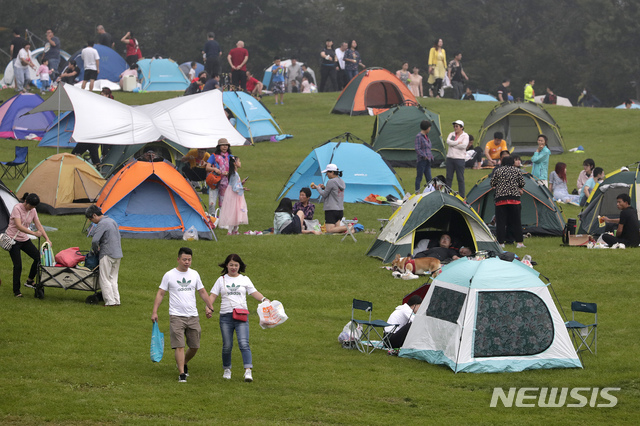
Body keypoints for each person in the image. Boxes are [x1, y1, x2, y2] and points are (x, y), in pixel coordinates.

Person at [151, 247, 215, 382]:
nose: (187, 262)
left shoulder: (194, 274)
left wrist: (210, 306)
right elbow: (161, 293)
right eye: (185, 259)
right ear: (178, 259)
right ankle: (181, 374)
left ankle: (183, 362)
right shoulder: (169, 275)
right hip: (176, 316)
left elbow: (202, 291)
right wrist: (155, 311)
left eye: (189, 260)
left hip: (193, 316)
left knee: (194, 346)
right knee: (179, 345)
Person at [209, 253, 269, 382]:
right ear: (226, 265)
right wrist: (209, 306)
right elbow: (213, 295)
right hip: (225, 316)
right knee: (227, 345)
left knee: (244, 343)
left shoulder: (244, 279)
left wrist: (264, 299)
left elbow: (254, 292)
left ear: (239, 266)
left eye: (236, 265)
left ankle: (248, 371)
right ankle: (227, 369)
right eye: (231, 265)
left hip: (241, 316)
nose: (233, 267)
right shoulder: (221, 280)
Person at [6, 193, 51, 297]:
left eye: (34, 207)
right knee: (18, 266)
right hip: (13, 240)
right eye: (30, 206)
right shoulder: (17, 208)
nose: (31, 208)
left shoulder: (33, 210)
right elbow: (18, 226)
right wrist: (34, 233)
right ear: (25, 202)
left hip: (24, 239)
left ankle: (30, 280)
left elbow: (38, 225)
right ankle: (16, 291)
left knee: (38, 258)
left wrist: (47, 239)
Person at [85, 205, 123, 306]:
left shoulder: (102, 224)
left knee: (104, 278)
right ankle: (116, 301)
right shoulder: (112, 221)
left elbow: (95, 240)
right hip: (117, 253)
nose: (91, 221)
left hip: (107, 253)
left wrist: (95, 250)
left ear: (94, 215)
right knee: (113, 279)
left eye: (91, 218)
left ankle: (110, 302)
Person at [490, 156, 526, 249]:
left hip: (500, 200)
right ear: (512, 162)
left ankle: (501, 243)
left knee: (501, 222)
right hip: (514, 200)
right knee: (516, 222)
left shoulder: (498, 171)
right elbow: (522, 183)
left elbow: (492, 183)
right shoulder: (517, 171)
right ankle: (519, 243)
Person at [310, 164, 350, 234]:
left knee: (329, 230)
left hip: (331, 209)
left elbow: (324, 195)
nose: (327, 175)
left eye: (327, 173)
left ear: (332, 172)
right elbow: (333, 192)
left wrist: (318, 188)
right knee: (336, 231)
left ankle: (349, 227)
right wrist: (324, 188)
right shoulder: (341, 181)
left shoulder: (331, 181)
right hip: (340, 209)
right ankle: (348, 229)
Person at [217, 156, 248, 235]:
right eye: (239, 161)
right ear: (235, 163)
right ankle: (230, 231)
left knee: (237, 210)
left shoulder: (234, 173)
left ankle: (235, 230)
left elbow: (235, 184)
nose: (240, 163)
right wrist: (242, 188)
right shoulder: (234, 174)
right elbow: (234, 187)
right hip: (234, 194)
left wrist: (241, 184)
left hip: (235, 193)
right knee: (234, 210)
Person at [206, 138, 234, 213]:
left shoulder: (231, 157)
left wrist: (229, 173)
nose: (225, 147)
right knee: (212, 203)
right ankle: (212, 219)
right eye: (223, 145)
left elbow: (235, 168)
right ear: (219, 146)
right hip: (214, 182)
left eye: (226, 145)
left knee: (223, 204)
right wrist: (215, 169)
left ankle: (222, 221)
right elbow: (207, 167)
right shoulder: (214, 156)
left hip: (225, 183)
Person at [445, 120, 468, 197]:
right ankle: (447, 193)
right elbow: (448, 142)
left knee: (460, 178)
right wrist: (458, 142)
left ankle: (462, 195)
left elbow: (463, 146)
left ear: (461, 127)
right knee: (449, 177)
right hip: (450, 158)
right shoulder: (451, 134)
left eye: (457, 126)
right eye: (454, 126)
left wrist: (453, 144)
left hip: (459, 159)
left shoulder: (465, 136)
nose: (455, 128)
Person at [414, 120, 434, 192]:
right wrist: (424, 155)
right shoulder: (419, 136)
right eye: (429, 127)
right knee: (419, 177)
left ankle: (430, 191)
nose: (430, 129)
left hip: (428, 160)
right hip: (422, 160)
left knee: (429, 177)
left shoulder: (426, 136)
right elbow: (417, 148)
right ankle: (417, 192)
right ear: (427, 128)